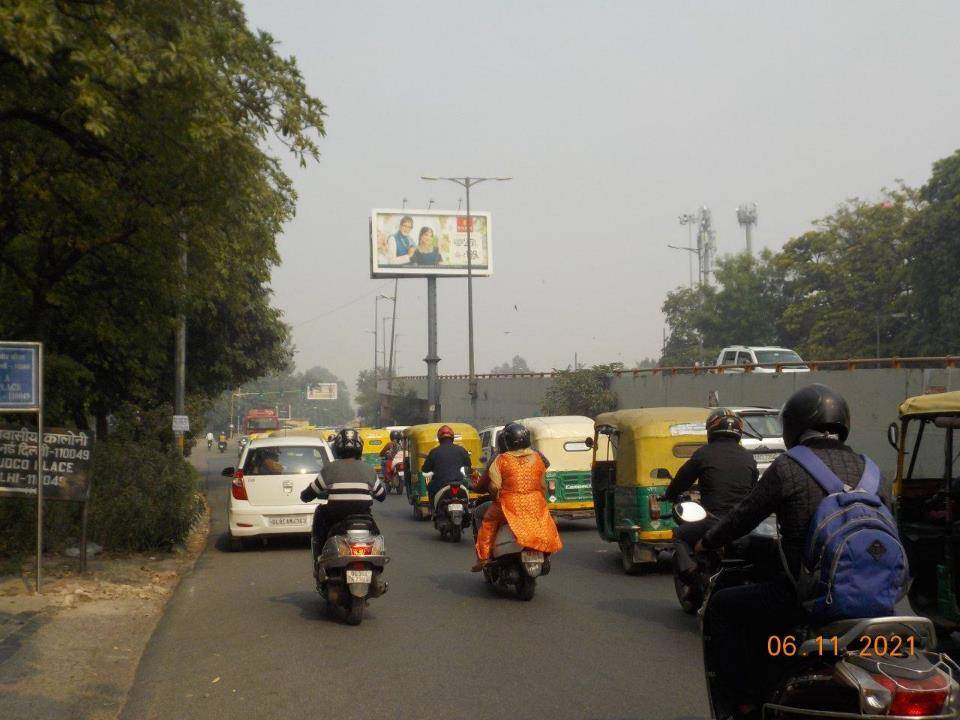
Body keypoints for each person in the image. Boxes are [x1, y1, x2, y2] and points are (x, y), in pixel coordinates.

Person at [694, 384, 875, 719]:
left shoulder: (789, 467)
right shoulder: (870, 469)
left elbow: (744, 516)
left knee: (721, 607)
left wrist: (707, 541)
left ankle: (744, 704)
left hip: (806, 598)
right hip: (875, 601)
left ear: (793, 426)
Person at [662, 409, 757, 581]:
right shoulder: (748, 457)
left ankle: (691, 573)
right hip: (743, 524)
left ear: (711, 430)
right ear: (738, 432)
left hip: (713, 522)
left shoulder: (703, 454)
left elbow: (682, 480)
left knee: (679, 535)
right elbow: (754, 489)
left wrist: (669, 495)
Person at [472, 422, 563, 572]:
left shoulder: (500, 459)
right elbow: (542, 485)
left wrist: (496, 497)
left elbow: (494, 486)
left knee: (489, 523)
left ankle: (483, 558)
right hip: (535, 503)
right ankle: (546, 552)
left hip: (509, 504)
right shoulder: (537, 457)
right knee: (546, 521)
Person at [300, 428, 386, 577]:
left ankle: (320, 560)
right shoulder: (369, 470)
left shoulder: (330, 469)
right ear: (360, 448)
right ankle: (378, 562)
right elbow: (381, 495)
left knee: (320, 513)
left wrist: (305, 495)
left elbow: (309, 494)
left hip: (335, 518)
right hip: (364, 518)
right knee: (377, 534)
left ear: (337, 448)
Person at [422, 425, 472, 506]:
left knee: (430, 487)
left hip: (440, 484)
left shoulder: (434, 452)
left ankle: (433, 511)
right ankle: (467, 508)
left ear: (439, 438)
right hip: (459, 483)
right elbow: (468, 466)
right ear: (452, 437)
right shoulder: (461, 450)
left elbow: (425, 469)